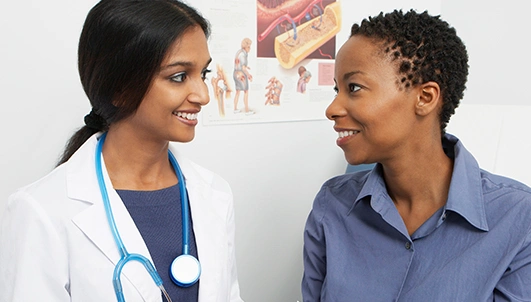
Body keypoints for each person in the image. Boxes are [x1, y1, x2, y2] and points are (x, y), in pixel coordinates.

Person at [0, 1, 243, 301]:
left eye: (203, 74)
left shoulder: (215, 193)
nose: (203, 95)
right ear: (120, 88)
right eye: (179, 76)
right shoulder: (42, 211)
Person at [302, 9, 531, 301]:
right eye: (337, 90)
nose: (332, 109)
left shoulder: (520, 220)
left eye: (354, 88)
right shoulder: (331, 205)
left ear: (424, 97)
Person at [233, 38, 254, 115]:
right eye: (249, 47)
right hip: (241, 74)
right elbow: (243, 68)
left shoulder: (239, 52)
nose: (250, 49)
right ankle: (247, 110)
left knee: (237, 92)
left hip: (235, 73)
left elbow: (238, 64)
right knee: (246, 91)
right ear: (246, 47)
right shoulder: (243, 55)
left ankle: (235, 108)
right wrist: (249, 75)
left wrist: (245, 67)